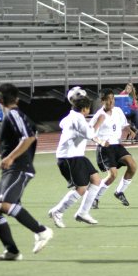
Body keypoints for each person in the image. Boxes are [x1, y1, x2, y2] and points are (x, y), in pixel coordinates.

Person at [0, 82, 53, 261]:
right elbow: (13, 143)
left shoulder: (14, 115)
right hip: (13, 169)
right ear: (16, 98)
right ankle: (12, 252)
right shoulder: (13, 115)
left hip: (20, 168)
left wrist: (9, 158)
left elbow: (28, 138)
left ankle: (42, 231)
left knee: (5, 205)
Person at [48, 94, 103, 228]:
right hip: (68, 157)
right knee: (81, 188)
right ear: (84, 109)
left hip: (77, 155)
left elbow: (62, 123)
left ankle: (83, 213)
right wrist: (99, 122)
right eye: (88, 108)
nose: (89, 111)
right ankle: (57, 212)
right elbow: (90, 135)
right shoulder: (78, 119)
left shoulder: (71, 116)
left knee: (96, 180)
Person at [89, 88, 138, 207]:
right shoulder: (99, 116)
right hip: (105, 148)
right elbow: (90, 134)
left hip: (117, 146)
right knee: (113, 175)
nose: (111, 102)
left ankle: (119, 191)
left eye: (113, 99)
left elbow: (124, 124)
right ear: (102, 101)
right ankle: (95, 198)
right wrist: (100, 141)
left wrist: (130, 131)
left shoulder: (118, 111)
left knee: (133, 166)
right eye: (108, 100)